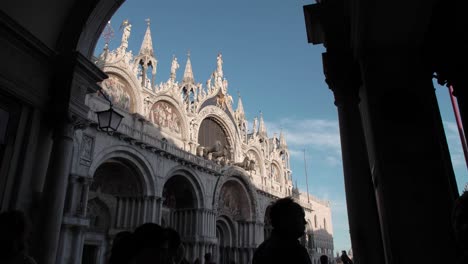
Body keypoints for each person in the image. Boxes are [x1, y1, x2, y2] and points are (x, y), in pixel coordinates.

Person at [252, 197, 311, 264]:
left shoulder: (261, 250)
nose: (305, 222)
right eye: (301, 217)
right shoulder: (295, 252)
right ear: (288, 220)